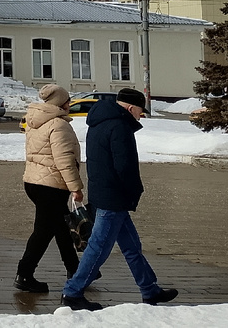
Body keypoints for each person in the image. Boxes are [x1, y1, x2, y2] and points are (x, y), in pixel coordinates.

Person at [60, 88, 178, 312]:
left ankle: (149, 289)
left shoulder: (98, 122)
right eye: (140, 112)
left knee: (132, 246)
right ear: (131, 108)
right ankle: (72, 291)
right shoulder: (120, 127)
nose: (140, 116)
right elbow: (125, 166)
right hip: (113, 198)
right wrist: (135, 190)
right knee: (98, 247)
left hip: (104, 193)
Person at [15, 84, 83, 293]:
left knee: (61, 227)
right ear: (61, 103)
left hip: (34, 182)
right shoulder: (58, 125)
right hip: (51, 185)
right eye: (68, 101)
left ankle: (75, 270)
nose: (70, 104)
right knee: (43, 232)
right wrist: (76, 187)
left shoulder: (35, 121)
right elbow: (64, 160)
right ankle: (24, 274)